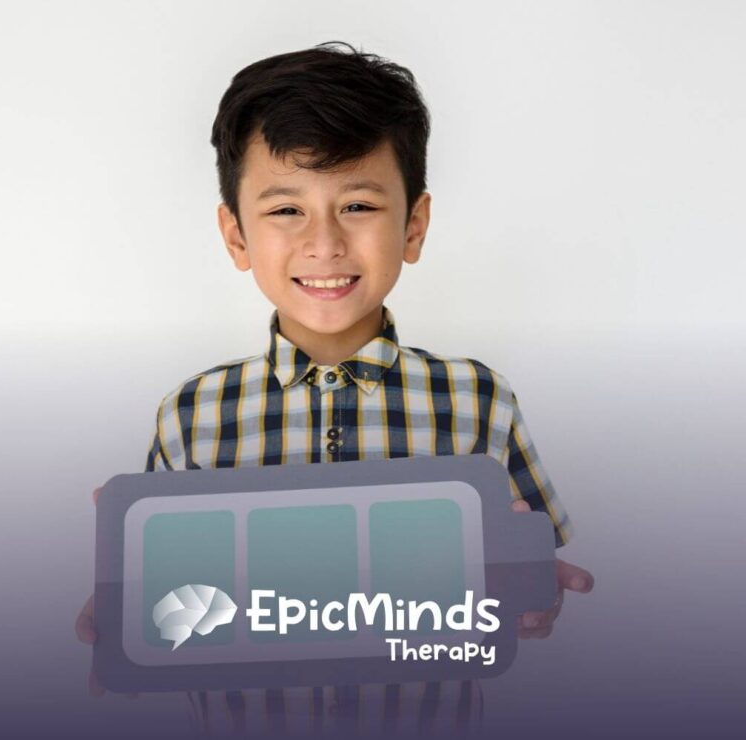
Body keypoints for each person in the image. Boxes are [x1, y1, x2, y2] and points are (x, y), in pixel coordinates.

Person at [76, 41, 593, 737]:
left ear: (413, 225)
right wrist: (123, 608)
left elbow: (531, 570)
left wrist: (533, 588)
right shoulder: (190, 415)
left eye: (357, 205)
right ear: (236, 235)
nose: (324, 244)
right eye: (286, 210)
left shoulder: (478, 398)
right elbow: (160, 602)